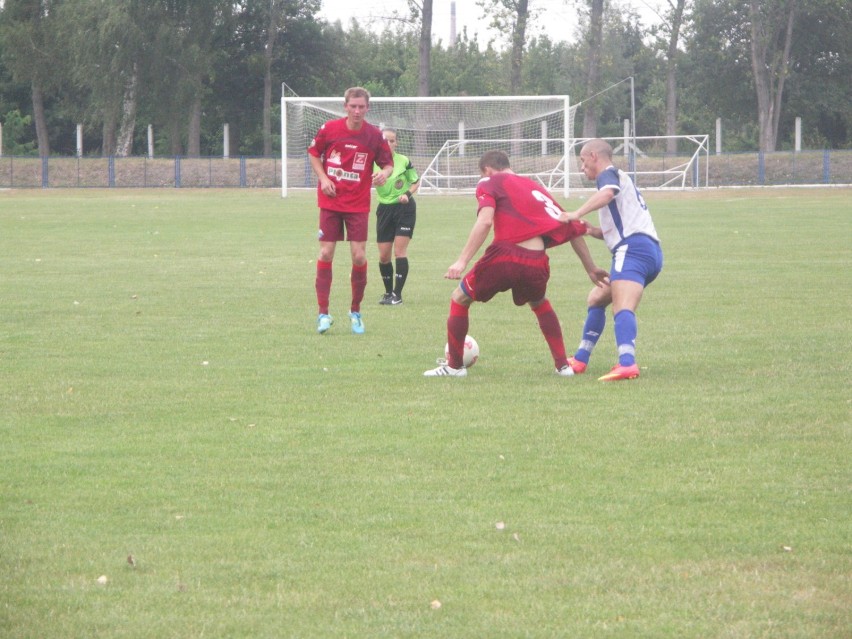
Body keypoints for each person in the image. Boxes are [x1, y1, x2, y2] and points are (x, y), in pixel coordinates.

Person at [423, 149, 609, 377]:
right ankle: (563, 366)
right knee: (539, 302)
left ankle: (454, 367)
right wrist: (590, 268)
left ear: (487, 170)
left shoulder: (489, 182)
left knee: (459, 299)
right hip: (537, 262)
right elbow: (572, 227)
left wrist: (461, 261)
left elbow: (485, 221)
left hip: (506, 256)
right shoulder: (535, 188)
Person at [558, 138, 663, 381]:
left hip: (633, 250)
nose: (582, 168)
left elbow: (607, 194)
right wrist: (589, 229)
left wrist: (576, 213)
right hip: (646, 251)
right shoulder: (620, 179)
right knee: (596, 298)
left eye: (583, 161)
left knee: (622, 306)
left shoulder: (608, 175)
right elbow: (616, 226)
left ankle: (627, 363)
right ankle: (581, 359)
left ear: (595, 156)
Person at [308, 87, 394, 335]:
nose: (357, 111)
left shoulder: (374, 135)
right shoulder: (330, 129)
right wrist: (324, 178)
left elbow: (387, 163)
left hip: (357, 203)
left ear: (368, 108)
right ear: (345, 106)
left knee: (358, 256)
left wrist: (383, 174)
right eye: (353, 106)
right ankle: (323, 313)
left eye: (361, 107)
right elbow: (314, 154)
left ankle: (355, 311)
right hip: (331, 201)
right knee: (326, 253)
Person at [373, 127, 419, 305]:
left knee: (399, 252)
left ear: (396, 142)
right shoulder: (373, 161)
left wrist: (407, 194)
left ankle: (397, 295)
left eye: (392, 140)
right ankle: (388, 293)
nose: (388, 144)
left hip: (404, 209)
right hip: (384, 210)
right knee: (384, 256)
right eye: (385, 140)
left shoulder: (403, 161)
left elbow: (415, 181)